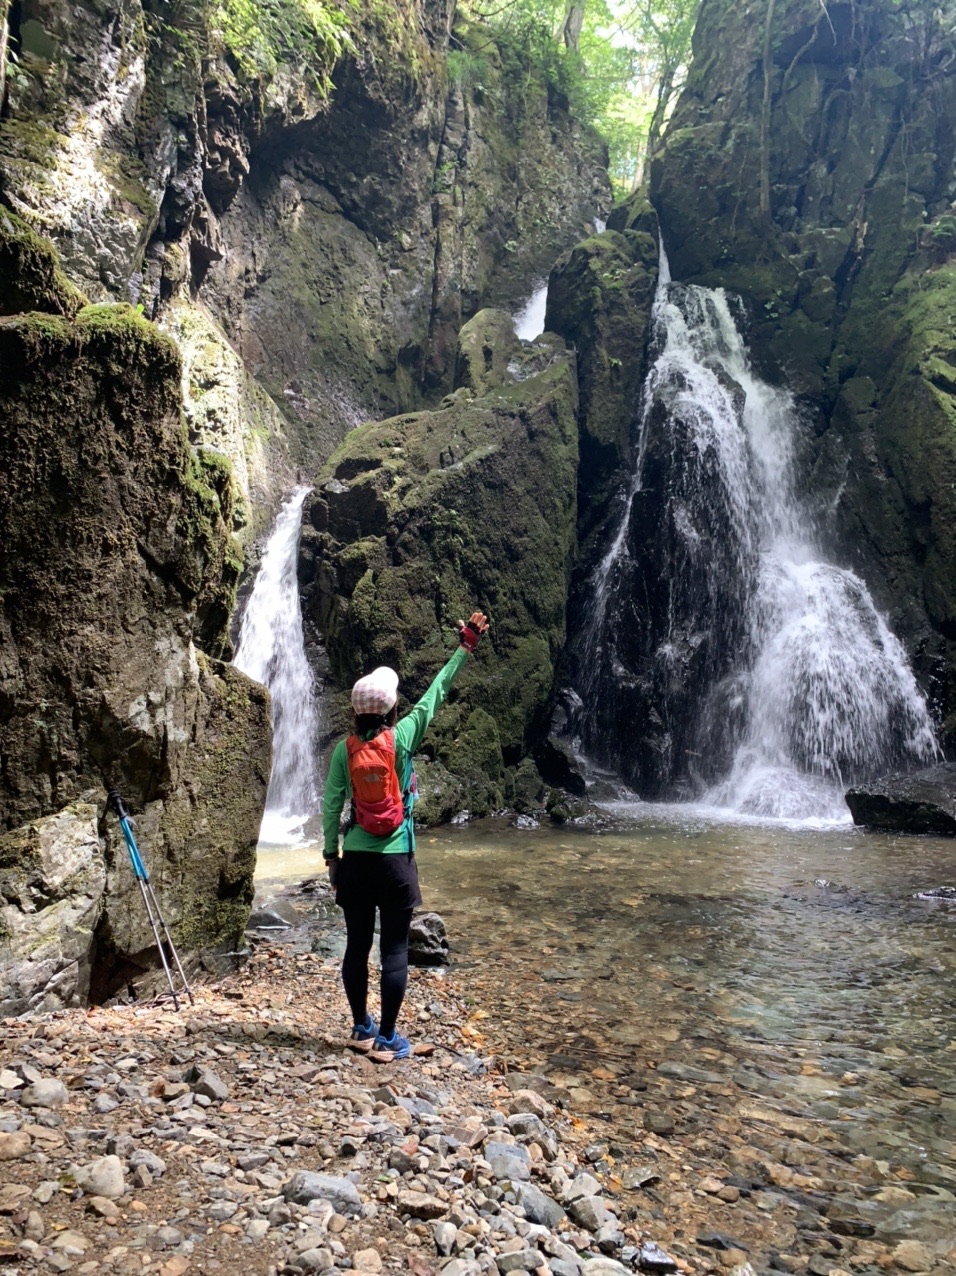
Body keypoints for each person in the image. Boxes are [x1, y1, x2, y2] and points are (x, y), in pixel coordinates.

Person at [322, 610, 489, 1061]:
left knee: (357, 944)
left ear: (356, 711)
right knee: (395, 948)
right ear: (393, 707)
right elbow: (437, 693)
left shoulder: (344, 750)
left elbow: (331, 806)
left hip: (354, 859)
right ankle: (388, 1039)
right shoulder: (404, 737)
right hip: (396, 858)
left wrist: (330, 857)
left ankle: (360, 1027)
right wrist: (465, 646)